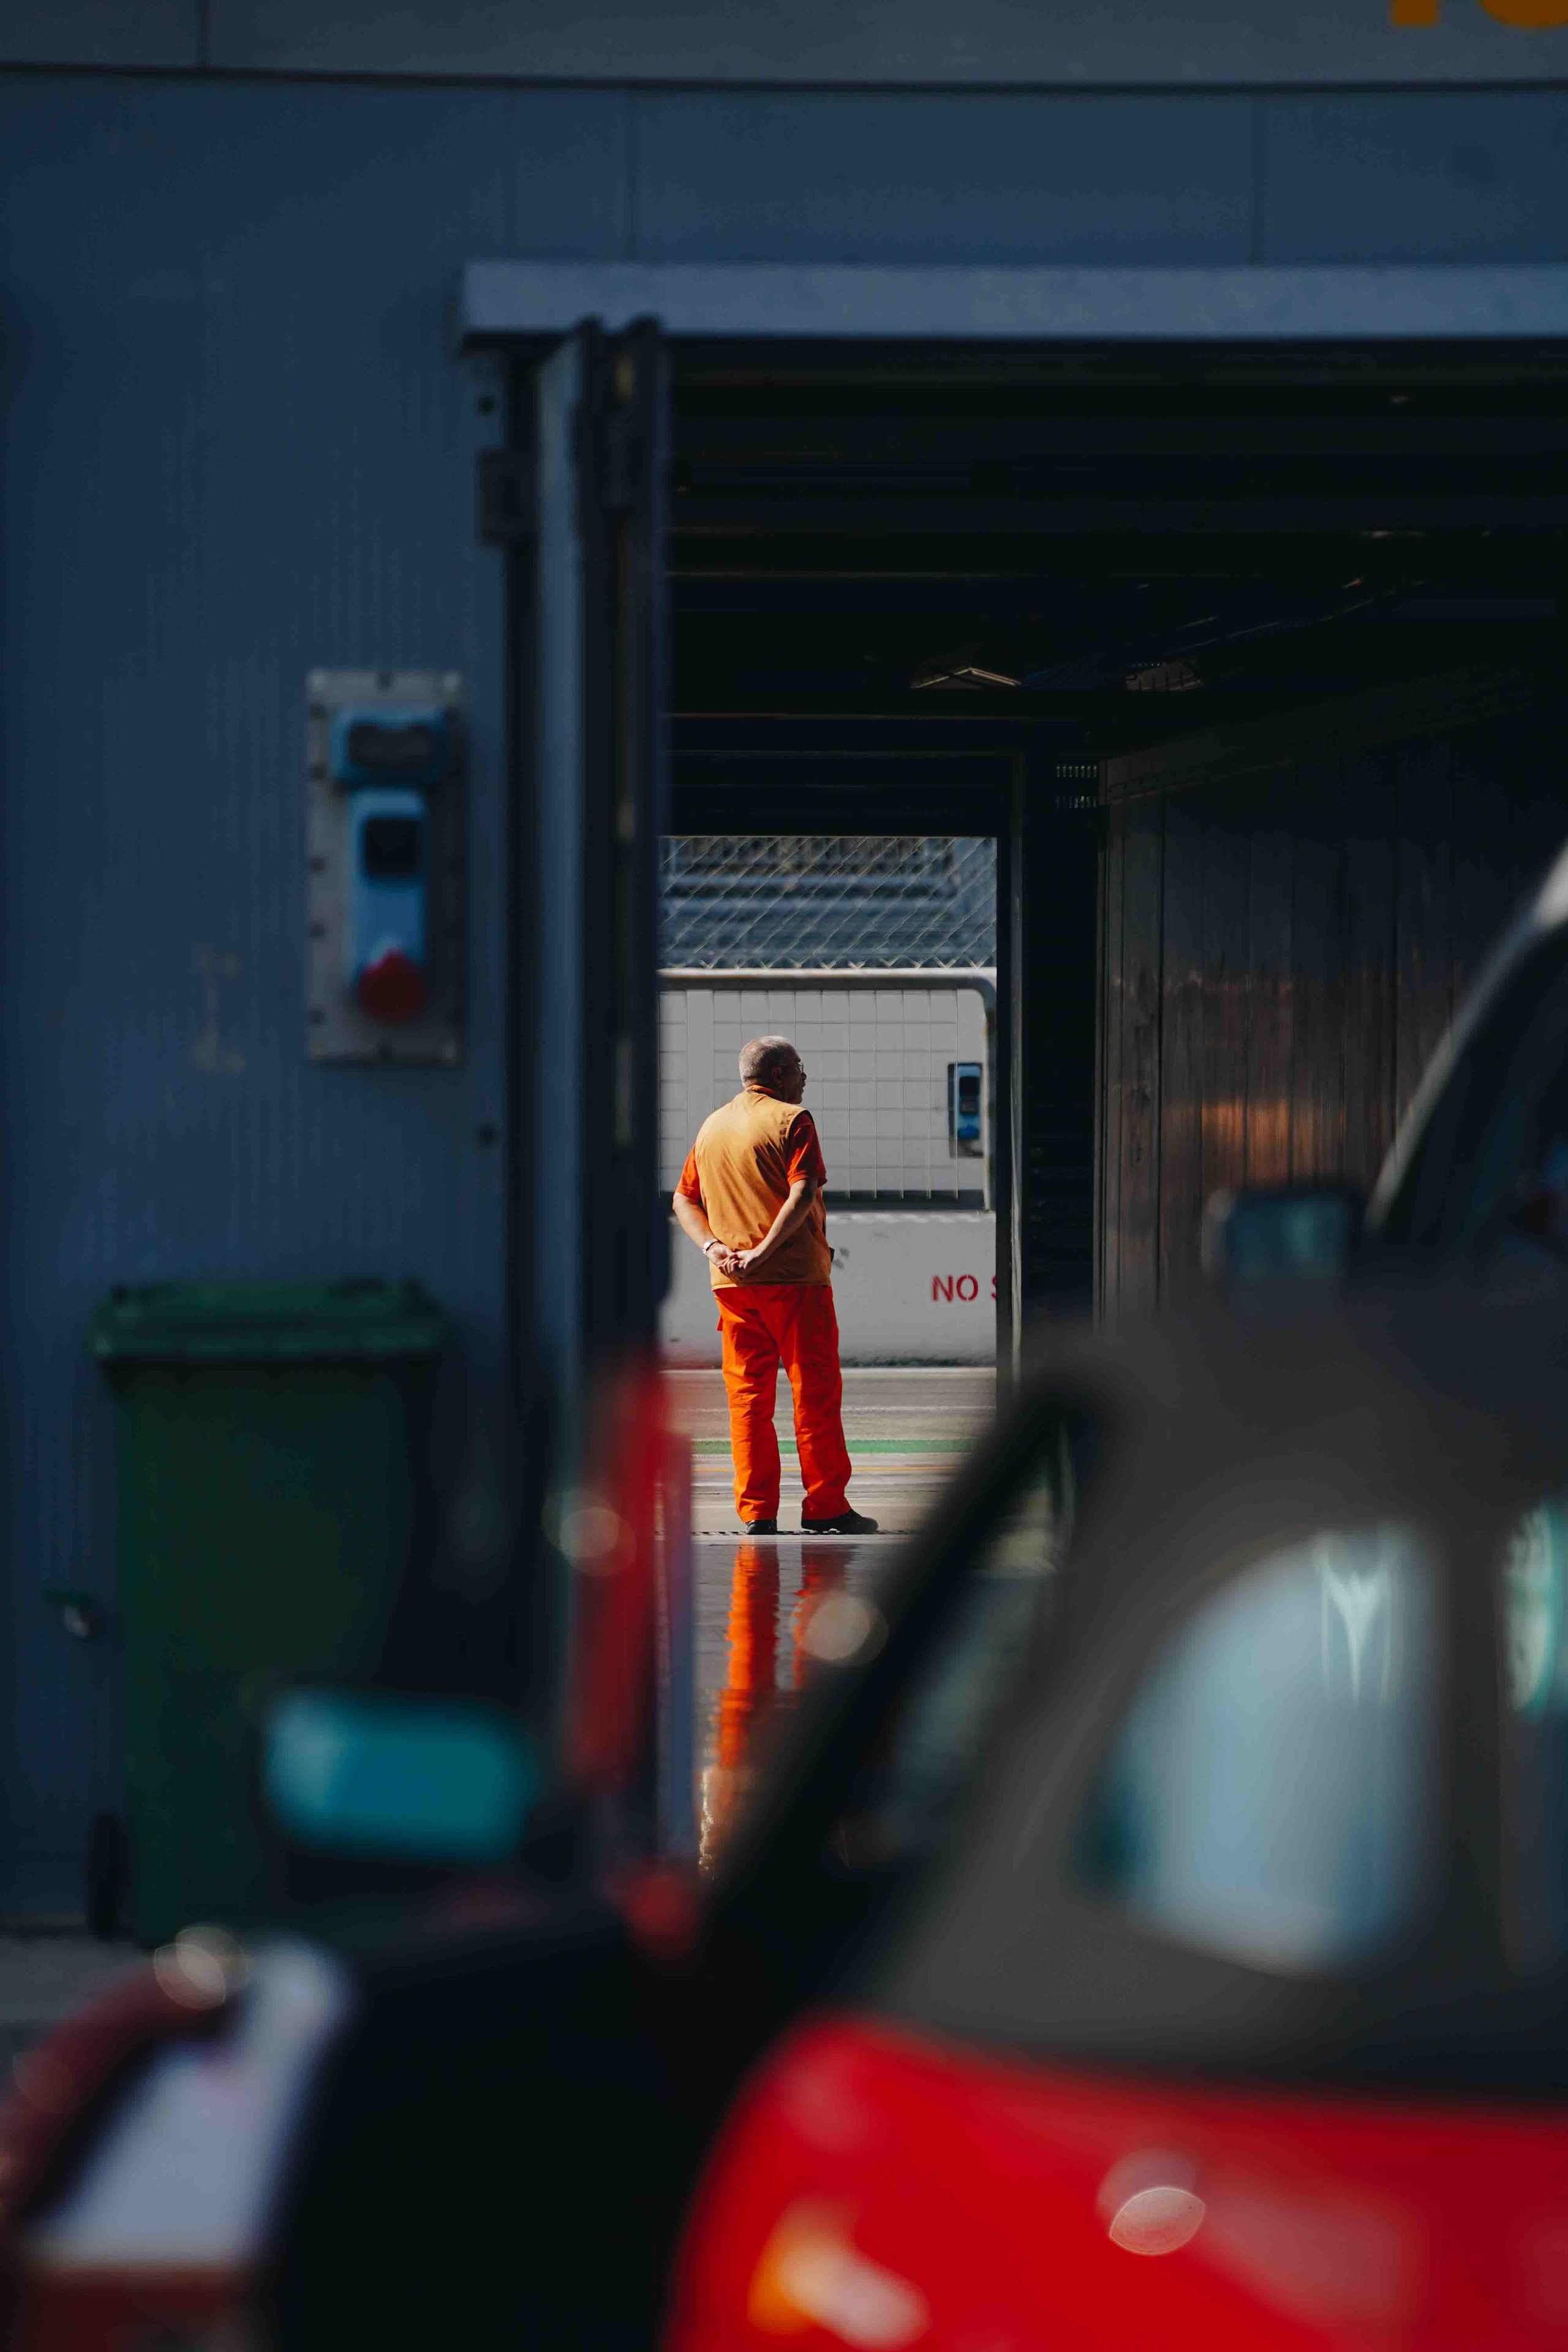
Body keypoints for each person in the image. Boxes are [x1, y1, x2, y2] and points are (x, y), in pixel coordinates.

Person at [673, 1036, 878, 1537]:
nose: (806, 1079)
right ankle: (826, 1505)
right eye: (801, 1069)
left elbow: (683, 1200)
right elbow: (803, 1190)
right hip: (794, 1281)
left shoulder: (711, 1126)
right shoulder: (793, 1120)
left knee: (748, 1397)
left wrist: (714, 1249)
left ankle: (757, 1510)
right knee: (814, 1393)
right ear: (781, 1073)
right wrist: (764, 1252)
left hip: (732, 1285)